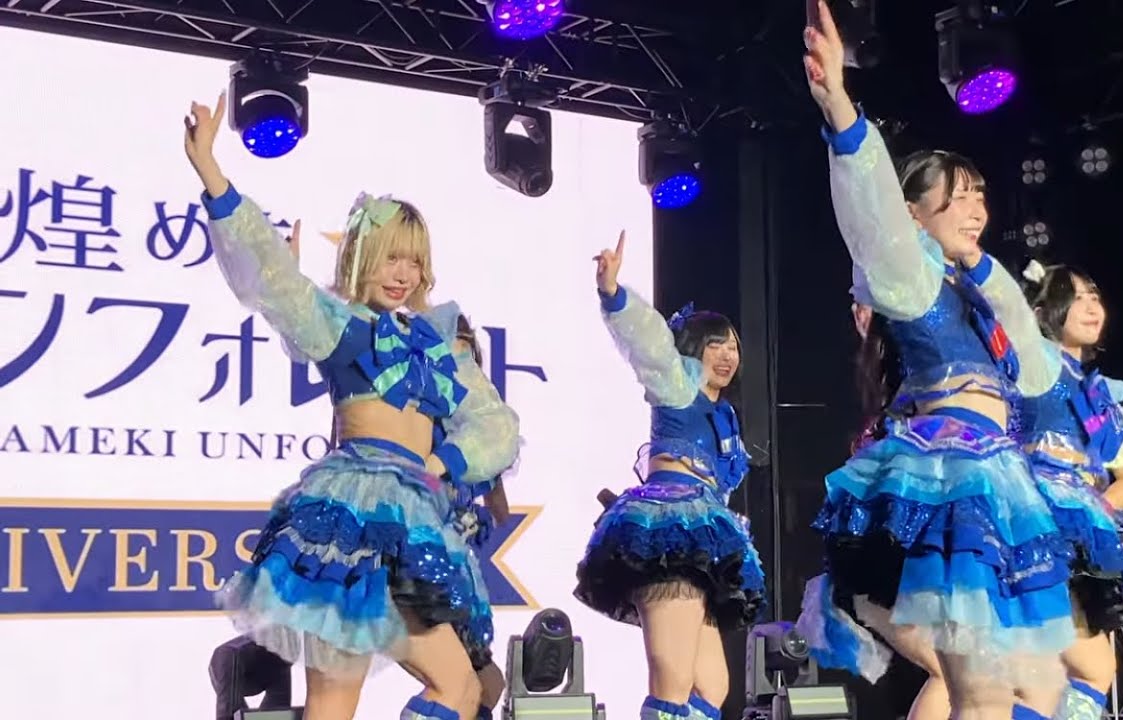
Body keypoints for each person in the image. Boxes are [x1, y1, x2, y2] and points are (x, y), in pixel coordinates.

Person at [183, 93, 519, 720]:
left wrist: (445, 463)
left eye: (414, 261)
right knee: (335, 702)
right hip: (348, 515)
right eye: (392, 256)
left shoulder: (438, 343)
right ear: (363, 254)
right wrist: (212, 173)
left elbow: (496, 424)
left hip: (416, 517)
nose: (403, 273)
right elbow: (271, 277)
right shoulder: (339, 324)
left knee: (462, 688)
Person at [796, 5, 1078, 720]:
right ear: (916, 216)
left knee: (1035, 688)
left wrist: (988, 275)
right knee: (981, 693)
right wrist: (839, 106)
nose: (975, 209)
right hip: (954, 480)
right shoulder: (913, 277)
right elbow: (872, 212)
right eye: (955, 198)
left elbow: (1038, 374)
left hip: (998, 479)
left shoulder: (975, 294)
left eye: (979, 195)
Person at [574, 232, 764, 720]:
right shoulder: (677, 384)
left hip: (702, 545)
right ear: (693, 349)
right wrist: (613, 293)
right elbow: (650, 343)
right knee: (673, 681)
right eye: (716, 344)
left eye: (734, 347)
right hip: (669, 534)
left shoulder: (726, 416)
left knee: (713, 686)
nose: (727, 354)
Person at [1017, 260, 1123, 720]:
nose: (1091, 306)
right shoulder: (1031, 367)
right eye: (1075, 298)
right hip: (1029, 531)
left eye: (1094, 296)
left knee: (1056, 678)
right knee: (1085, 669)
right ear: (1041, 313)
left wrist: (1086, 513)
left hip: (1071, 547)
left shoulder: (1095, 394)